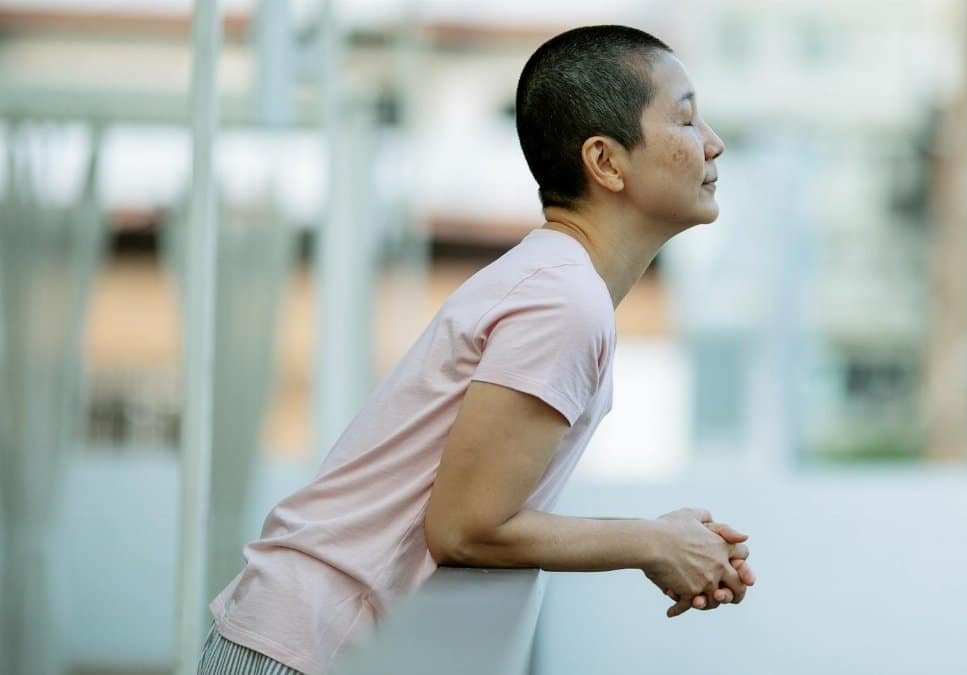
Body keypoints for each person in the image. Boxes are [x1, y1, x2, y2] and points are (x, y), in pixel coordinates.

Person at [199, 24, 755, 675]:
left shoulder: (558, 283)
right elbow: (466, 526)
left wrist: (668, 539)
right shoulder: (563, 301)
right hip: (299, 648)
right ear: (606, 162)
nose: (713, 143)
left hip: (302, 638)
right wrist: (652, 542)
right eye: (686, 120)